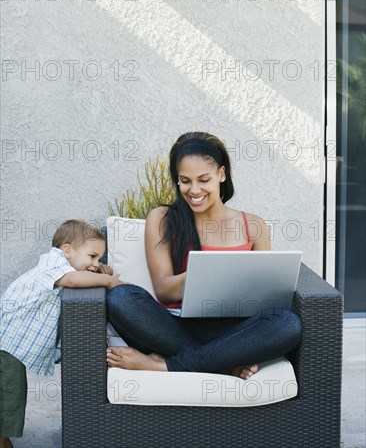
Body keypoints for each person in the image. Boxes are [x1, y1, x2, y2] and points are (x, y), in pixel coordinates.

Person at [106, 132, 302, 379]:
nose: (194, 190)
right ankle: (222, 364)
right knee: (121, 298)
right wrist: (204, 274)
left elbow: (265, 299)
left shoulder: (253, 225)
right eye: (185, 181)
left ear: (221, 174)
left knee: (287, 323)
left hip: (233, 332)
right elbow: (164, 290)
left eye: (203, 180)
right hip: (174, 327)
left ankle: (165, 365)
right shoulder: (163, 219)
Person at [0, 220, 123, 448]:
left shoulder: (61, 264)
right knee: (9, 398)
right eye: (92, 256)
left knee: (10, 396)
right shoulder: (55, 265)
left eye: (99, 259)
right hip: (5, 345)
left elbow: (81, 275)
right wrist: (110, 281)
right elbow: (74, 279)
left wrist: (102, 271)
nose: (96, 264)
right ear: (67, 250)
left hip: (9, 345)